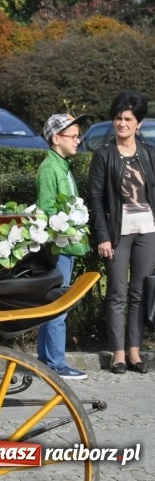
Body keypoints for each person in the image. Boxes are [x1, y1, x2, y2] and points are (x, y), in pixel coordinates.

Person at [87, 90, 155, 375]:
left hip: (148, 231)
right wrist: (102, 236)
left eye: (128, 118)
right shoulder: (104, 155)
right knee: (117, 292)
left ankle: (135, 354)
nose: (122, 123)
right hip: (117, 233)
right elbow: (95, 199)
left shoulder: (150, 153)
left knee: (140, 293)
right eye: (118, 118)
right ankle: (117, 354)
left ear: (138, 122)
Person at [36, 113, 91, 380]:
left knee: (54, 303)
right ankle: (56, 364)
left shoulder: (62, 165)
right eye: (74, 136)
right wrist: (68, 230)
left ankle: (46, 361)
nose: (78, 140)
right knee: (60, 304)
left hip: (66, 246)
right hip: (60, 247)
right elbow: (47, 210)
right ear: (56, 139)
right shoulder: (50, 168)